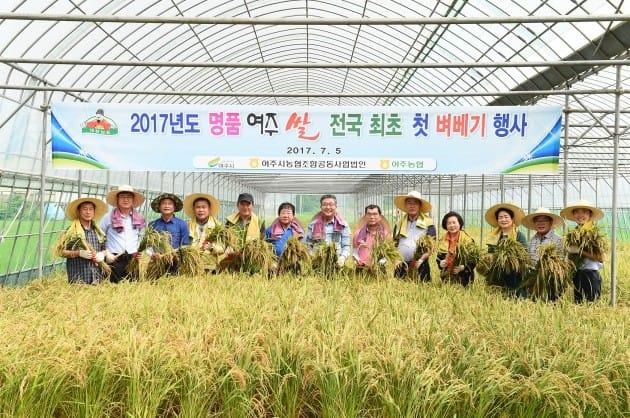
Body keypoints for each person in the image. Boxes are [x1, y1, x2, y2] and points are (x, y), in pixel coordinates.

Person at [560, 200, 606, 303]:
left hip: (590, 275)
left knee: (591, 307)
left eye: (584, 212)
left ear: (590, 214)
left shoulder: (593, 233)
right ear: (573, 214)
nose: (580, 215)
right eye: (577, 212)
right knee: (579, 305)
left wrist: (579, 251)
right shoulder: (574, 233)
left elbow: (602, 258)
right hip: (577, 274)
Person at [100, 184, 146, 282]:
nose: (126, 200)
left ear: (133, 200)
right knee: (113, 289)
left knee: (133, 289)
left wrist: (139, 249)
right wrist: (106, 253)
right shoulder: (108, 217)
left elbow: (142, 236)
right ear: (117, 199)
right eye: (122, 197)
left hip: (132, 260)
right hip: (114, 259)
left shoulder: (139, 218)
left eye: (129, 197)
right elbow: (100, 237)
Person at [58, 197, 108, 284]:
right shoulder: (71, 231)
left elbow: (105, 249)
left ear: (94, 212)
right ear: (78, 211)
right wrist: (78, 253)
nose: (88, 212)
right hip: (78, 280)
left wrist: (101, 255)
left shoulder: (98, 231)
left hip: (97, 279)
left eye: (91, 209)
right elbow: (60, 252)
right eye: (84, 209)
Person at [521, 207, 565, 301]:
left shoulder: (558, 240)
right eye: (537, 221)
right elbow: (529, 260)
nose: (541, 223)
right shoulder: (532, 240)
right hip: (534, 282)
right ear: (534, 223)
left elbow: (562, 262)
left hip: (552, 282)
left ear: (551, 222)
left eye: (544, 220)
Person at [485, 202, 528, 297]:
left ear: (512, 219)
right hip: (497, 275)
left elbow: (524, 256)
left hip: (515, 276)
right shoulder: (494, 237)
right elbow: (490, 253)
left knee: (516, 297)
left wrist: (510, 259)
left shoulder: (519, 235)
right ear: (497, 220)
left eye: (506, 217)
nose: (503, 219)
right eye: (500, 217)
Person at [392, 191, 436, 281]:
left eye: (415, 203)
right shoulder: (399, 223)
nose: (412, 206)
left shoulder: (428, 223)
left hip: (420, 264)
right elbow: (394, 244)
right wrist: (396, 258)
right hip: (401, 265)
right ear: (405, 206)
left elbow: (431, 246)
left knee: (422, 291)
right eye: (409, 203)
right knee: (399, 291)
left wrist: (421, 259)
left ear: (420, 206)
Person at [149, 193, 190, 274]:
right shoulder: (152, 225)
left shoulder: (182, 224)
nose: (166, 206)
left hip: (176, 263)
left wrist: (172, 253)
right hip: (157, 263)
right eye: (163, 203)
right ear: (159, 207)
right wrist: (152, 254)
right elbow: (148, 245)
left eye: (170, 204)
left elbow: (186, 245)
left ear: (174, 207)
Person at [306, 194, 351, 268]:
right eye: (325, 204)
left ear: (336, 207)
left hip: (337, 265)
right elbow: (308, 245)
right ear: (321, 207)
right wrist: (313, 257)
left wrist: (342, 258)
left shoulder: (343, 225)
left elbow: (346, 246)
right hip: (317, 265)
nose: (328, 207)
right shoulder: (313, 225)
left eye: (331, 204)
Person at [183, 192, 221, 272]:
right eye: (198, 207)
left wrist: (211, 247)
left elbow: (222, 248)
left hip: (210, 267)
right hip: (192, 266)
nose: (201, 210)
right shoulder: (187, 225)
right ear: (194, 209)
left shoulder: (217, 226)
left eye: (204, 207)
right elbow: (183, 245)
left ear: (209, 209)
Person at [436, 211, 476, 287]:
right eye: (449, 223)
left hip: (464, 277)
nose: (452, 225)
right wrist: (441, 263)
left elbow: (473, 259)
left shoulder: (468, 240)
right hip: (447, 276)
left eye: (454, 222)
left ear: (459, 223)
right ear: (445, 225)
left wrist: (463, 267)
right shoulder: (442, 240)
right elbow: (439, 258)